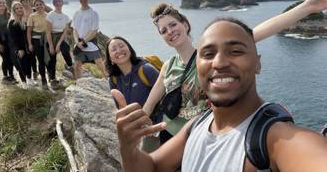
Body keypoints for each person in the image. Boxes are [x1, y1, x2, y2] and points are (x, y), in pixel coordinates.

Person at [113, 17, 327, 172]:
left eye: (235, 51)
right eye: (208, 54)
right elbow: (150, 167)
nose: (220, 62)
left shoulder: (276, 137)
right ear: (198, 67)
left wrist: (309, 6)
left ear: (258, 63)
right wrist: (128, 148)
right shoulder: (198, 125)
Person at [143, 0, 327, 143]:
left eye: (173, 24)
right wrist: (140, 127)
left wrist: (309, 6)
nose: (170, 32)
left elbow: (257, 32)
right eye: (163, 31)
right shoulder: (168, 66)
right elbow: (149, 105)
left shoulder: (208, 57)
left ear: (185, 24)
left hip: (202, 137)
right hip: (169, 136)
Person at [106, 36, 160, 152]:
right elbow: (121, 109)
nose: (119, 50)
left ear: (129, 49)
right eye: (113, 49)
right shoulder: (113, 80)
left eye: (121, 46)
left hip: (157, 127)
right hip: (136, 130)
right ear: (111, 59)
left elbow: (167, 95)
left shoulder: (146, 70)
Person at [71, 0, 107, 79]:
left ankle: (110, 81)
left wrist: (83, 42)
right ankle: (79, 84)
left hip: (90, 43)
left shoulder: (93, 13)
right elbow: (74, 30)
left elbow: (94, 31)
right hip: (79, 44)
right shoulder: (76, 13)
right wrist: (77, 43)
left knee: (100, 64)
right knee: (77, 66)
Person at [46, 0, 73, 89]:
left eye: (59, 1)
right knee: (52, 58)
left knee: (65, 48)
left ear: (62, 2)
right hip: (52, 37)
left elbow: (65, 32)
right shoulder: (50, 15)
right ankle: (52, 79)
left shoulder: (65, 17)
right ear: (54, 3)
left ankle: (70, 66)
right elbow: (48, 32)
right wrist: (51, 46)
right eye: (56, 2)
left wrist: (58, 44)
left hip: (61, 37)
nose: (58, 3)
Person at [8, 1, 33, 88]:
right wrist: (19, 49)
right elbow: (13, 38)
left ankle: (29, 79)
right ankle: (24, 82)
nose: (19, 9)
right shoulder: (12, 22)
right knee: (22, 64)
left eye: (20, 7)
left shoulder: (25, 20)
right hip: (19, 47)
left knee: (29, 63)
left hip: (27, 45)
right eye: (17, 8)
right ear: (14, 11)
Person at [26, 0, 49, 88]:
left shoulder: (48, 15)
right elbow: (28, 31)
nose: (39, 6)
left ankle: (51, 77)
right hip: (36, 40)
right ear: (34, 6)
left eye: (40, 4)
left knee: (48, 60)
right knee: (41, 60)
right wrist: (30, 44)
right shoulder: (32, 16)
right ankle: (44, 80)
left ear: (44, 5)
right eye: (37, 5)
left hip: (47, 40)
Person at [20, 0, 39, 80]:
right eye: (23, 0)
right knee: (28, 55)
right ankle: (29, 74)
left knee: (33, 54)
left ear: (29, 0)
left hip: (34, 34)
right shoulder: (20, 11)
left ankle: (35, 71)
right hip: (24, 35)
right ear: (21, 1)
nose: (25, 1)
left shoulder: (34, 10)